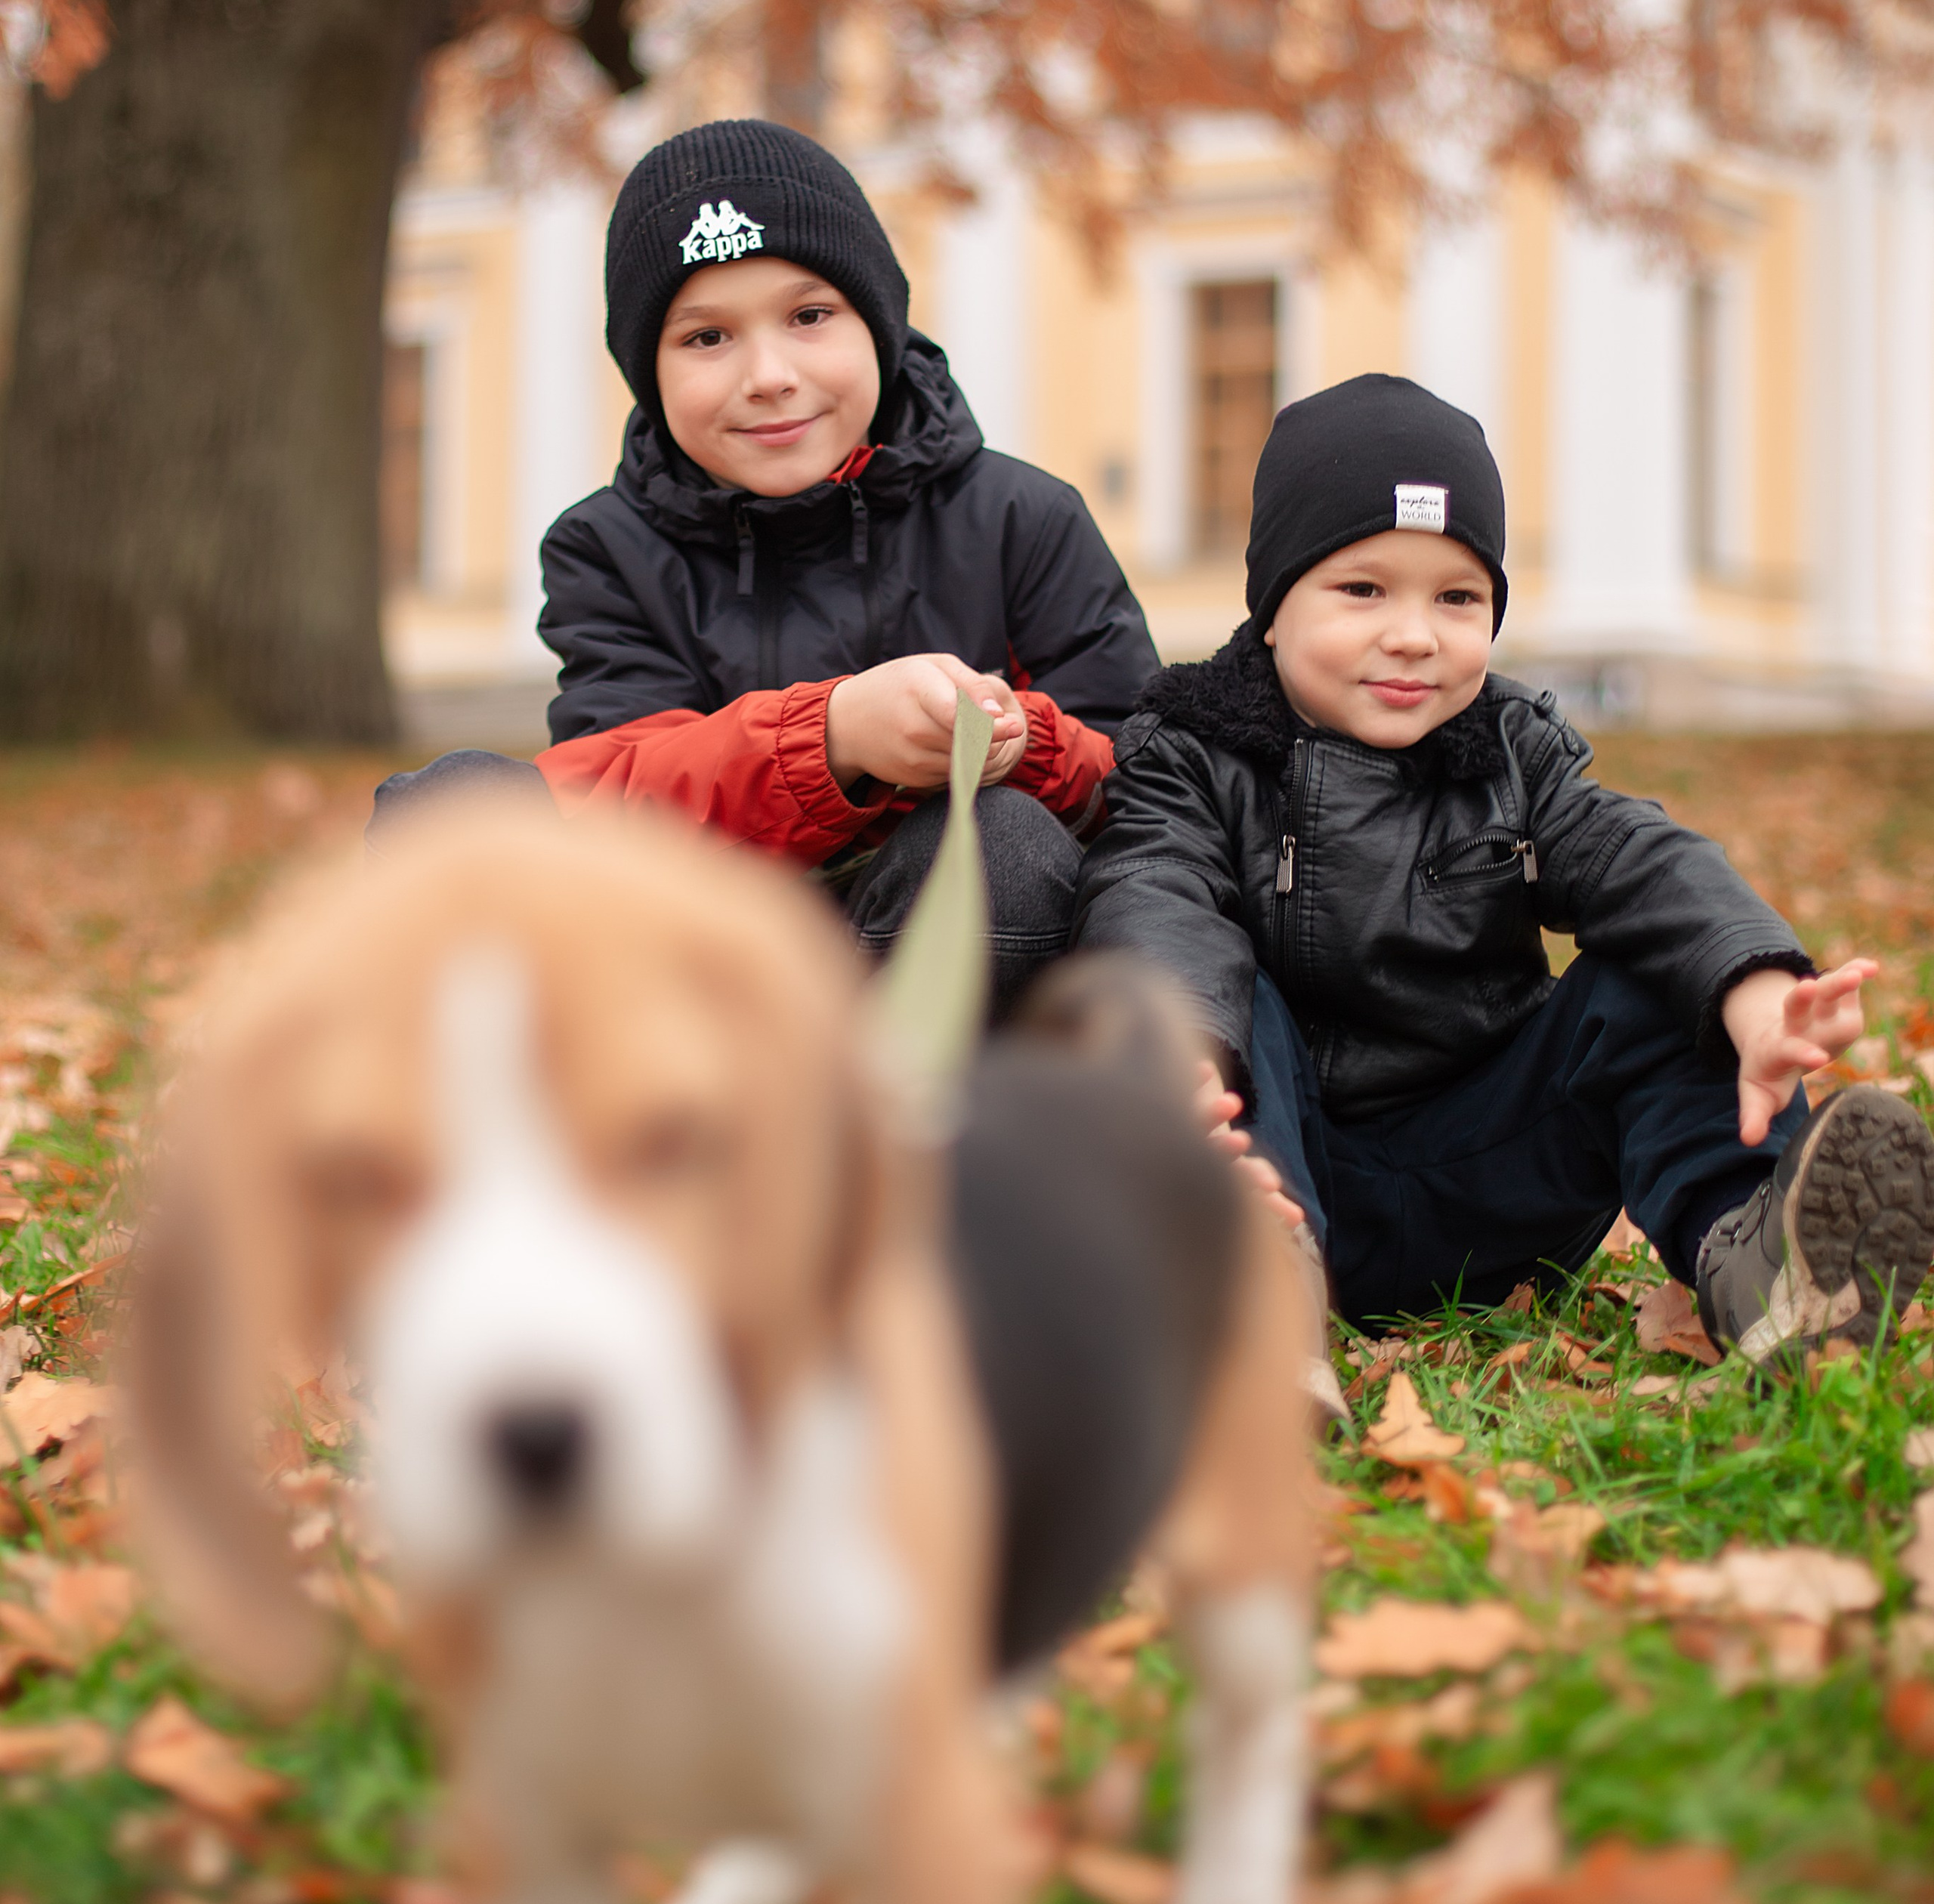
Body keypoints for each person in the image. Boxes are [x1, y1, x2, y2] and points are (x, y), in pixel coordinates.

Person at [1070, 371, 1934, 1356]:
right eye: (1362, 589)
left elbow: (1636, 859)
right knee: (1229, 992)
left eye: (1457, 596)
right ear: (1273, 607)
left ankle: (1762, 1261)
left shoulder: (1515, 753)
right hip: (1286, 1171)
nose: (1412, 635)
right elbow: (1155, 892)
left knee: (1653, 978)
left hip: (1493, 1181)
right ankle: (1256, 1303)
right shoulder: (1193, 750)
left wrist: (1757, 986)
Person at [375, 120, 1157, 1007]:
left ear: (880, 326)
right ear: (649, 372)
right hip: (717, 973)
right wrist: (833, 737)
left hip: (959, 978)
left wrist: (1025, 742)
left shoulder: (1021, 517)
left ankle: (919, 1120)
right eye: (707, 338)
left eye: (809, 316)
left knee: (1002, 839)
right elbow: (620, 810)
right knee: (450, 811)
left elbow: (1147, 795)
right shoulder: (606, 549)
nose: (770, 374)